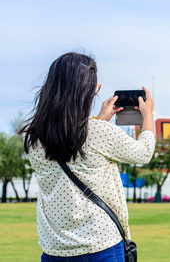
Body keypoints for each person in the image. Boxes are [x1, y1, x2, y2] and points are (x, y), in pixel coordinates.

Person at [20, 52, 156, 261]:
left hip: (54, 248)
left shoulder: (33, 136)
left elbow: (71, 150)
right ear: (83, 92)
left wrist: (99, 119)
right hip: (100, 245)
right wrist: (148, 116)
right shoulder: (99, 132)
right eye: (95, 87)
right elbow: (144, 152)